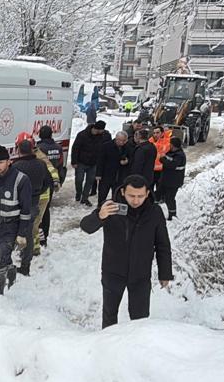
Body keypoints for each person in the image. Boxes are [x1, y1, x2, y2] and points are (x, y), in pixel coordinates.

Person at [79, 174, 173, 328]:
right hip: (113, 271)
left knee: (140, 319)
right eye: (131, 196)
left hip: (140, 274)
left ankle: (136, 347)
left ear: (147, 194)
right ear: (123, 192)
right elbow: (85, 227)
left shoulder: (154, 212)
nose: (136, 201)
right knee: (109, 315)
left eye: (140, 196)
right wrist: (99, 216)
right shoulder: (111, 208)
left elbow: (163, 245)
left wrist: (165, 273)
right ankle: (108, 345)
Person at [0, 145, 33, 295]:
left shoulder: (21, 180)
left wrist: (22, 234)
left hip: (13, 227)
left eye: (1, 162)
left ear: (9, 161)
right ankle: (12, 279)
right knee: (4, 257)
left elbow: (26, 211)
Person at [11, 135, 56, 273]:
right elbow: (48, 183)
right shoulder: (41, 164)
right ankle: (26, 265)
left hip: (19, 206)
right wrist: (37, 193)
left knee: (14, 232)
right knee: (29, 233)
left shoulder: (16, 167)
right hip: (33, 204)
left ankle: (14, 258)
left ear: (18, 150)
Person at [35, 125, 66, 248]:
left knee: (38, 213)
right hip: (53, 182)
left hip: (41, 184)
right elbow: (60, 165)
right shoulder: (58, 148)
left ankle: (39, 238)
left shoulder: (39, 148)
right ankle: (44, 237)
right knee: (46, 210)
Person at [70, 120, 105, 206]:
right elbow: (75, 148)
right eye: (101, 130)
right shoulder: (82, 135)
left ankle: (85, 198)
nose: (102, 132)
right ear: (96, 129)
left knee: (89, 181)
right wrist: (74, 161)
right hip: (81, 162)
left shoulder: (101, 136)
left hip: (93, 163)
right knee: (79, 180)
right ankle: (79, 193)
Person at [96, 131, 131, 204]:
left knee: (117, 196)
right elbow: (100, 161)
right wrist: (98, 174)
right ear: (116, 138)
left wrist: (127, 161)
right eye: (120, 140)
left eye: (124, 141)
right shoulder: (106, 146)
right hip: (106, 175)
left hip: (119, 176)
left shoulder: (127, 147)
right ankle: (100, 209)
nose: (121, 142)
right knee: (102, 195)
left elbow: (131, 158)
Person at [158, 137, 187, 221]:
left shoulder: (179, 156)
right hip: (166, 180)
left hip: (174, 182)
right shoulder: (172, 152)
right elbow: (164, 159)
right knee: (157, 195)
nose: (169, 146)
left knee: (169, 198)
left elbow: (171, 165)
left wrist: (163, 159)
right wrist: (163, 159)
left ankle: (172, 215)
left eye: (170, 144)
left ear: (173, 145)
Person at [151, 127, 173, 198]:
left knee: (160, 186)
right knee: (150, 185)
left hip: (162, 169)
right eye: (154, 133)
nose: (155, 134)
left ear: (162, 133)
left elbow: (164, 149)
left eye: (157, 133)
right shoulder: (151, 140)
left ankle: (160, 199)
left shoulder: (167, 142)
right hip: (151, 169)